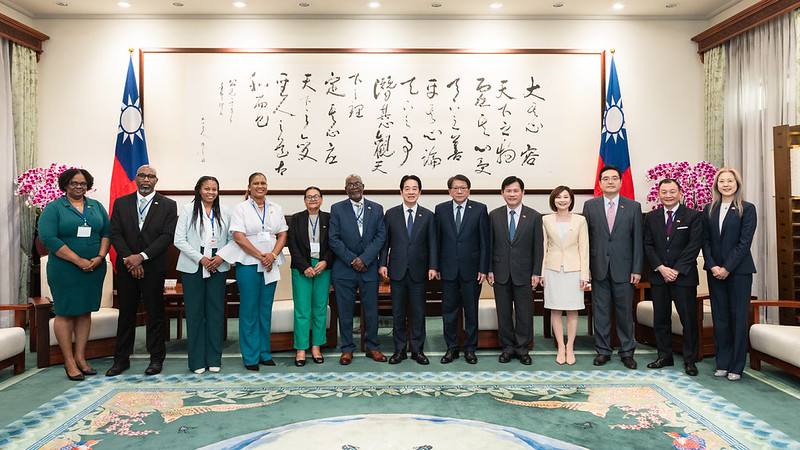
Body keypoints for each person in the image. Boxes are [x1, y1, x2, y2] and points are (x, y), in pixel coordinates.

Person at [38, 168, 110, 381]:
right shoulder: (54, 208)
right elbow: (49, 238)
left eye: (83, 183)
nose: (79, 186)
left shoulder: (95, 206)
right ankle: (68, 362)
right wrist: (78, 261)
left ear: (88, 185)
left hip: (94, 267)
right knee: (65, 312)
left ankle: (81, 357)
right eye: (74, 183)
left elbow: (107, 232)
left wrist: (99, 257)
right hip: (65, 269)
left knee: (84, 311)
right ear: (65, 185)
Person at [107, 165, 178, 377]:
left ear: (156, 180)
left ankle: (156, 359)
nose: (146, 179)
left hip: (153, 267)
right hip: (126, 267)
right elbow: (115, 233)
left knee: (155, 314)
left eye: (151, 176)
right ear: (136, 179)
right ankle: (121, 359)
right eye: (142, 175)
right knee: (126, 314)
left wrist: (142, 257)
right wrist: (130, 258)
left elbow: (167, 236)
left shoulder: (168, 205)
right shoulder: (121, 203)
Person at [218, 172, 288, 371]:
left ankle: (264, 353)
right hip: (248, 263)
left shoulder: (276, 208)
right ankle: (250, 356)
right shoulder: (240, 208)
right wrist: (260, 255)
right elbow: (238, 237)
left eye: (263, 183)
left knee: (265, 310)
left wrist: (272, 255)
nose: (260, 186)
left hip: (270, 264)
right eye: (256, 183)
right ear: (249, 187)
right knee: (249, 310)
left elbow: (283, 234)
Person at [582, 165, 642, 369]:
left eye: (614, 178)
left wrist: (636, 269)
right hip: (598, 267)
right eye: (605, 178)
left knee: (625, 312)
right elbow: (586, 240)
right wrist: (586, 268)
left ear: (620, 182)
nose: (610, 181)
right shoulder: (590, 206)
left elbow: (637, 242)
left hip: (624, 269)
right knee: (601, 311)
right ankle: (603, 350)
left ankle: (627, 352)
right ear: (599, 183)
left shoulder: (633, 207)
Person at [643, 179, 704, 376]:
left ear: (680, 193)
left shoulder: (693, 216)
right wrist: (661, 267)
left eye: (672, 191)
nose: (668, 195)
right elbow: (648, 245)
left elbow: (694, 246)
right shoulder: (651, 217)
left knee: (688, 319)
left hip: (683, 277)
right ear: (658, 194)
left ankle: (690, 360)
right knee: (661, 318)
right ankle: (664, 356)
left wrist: (676, 270)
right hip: (659, 276)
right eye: (664, 192)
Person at [702, 168, 756, 381]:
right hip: (715, 272)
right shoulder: (709, 209)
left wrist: (727, 268)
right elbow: (704, 241)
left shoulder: (747, 209)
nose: (726, 184)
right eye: (722, 181)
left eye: (730, 181)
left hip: (739, 272)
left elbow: (745, 242)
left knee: (738, 317)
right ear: (716, 185)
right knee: (720, 318)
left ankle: (736, 365)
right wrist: (713, 265)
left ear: (737, 184)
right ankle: (722, 362)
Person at [173, 176, 231, 374]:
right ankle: (197, 361)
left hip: (218, 264)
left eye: (214, 189)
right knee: (195, 313)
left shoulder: (224, 211)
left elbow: (233, 240)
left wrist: (221, 257)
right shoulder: (188, 210)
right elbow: (178, 240)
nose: (211, 192)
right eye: (207, 188)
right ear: (199, 190)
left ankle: (214, 359)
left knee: (215, 313)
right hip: (193, 265)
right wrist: (200, 259)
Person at [379, 175, 438, 365]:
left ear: (420, 192)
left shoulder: (428, 216)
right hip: (396, 271)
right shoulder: (391, 214)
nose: (411, 192)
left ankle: (417, 350)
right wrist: (382, 264)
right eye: (407, 188)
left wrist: (433, 266)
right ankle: (399, 350)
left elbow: (433, 244)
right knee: (398, 313)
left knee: (418, 312)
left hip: (419, 272)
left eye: (414, 188)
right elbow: (385, 243)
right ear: (401, 191)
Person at [328, 174, 387, 365]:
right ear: (345, 189)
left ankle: (372, 346)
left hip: (369, 268)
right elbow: (333, 239)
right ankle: (347, 349)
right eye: (350, 185)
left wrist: (364, 259)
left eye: (357, 184)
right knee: (345, 311)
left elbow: (380, 236)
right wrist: (353, 260)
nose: (354, 187)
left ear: (363, 186)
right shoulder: (337, 209)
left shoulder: (376, 209)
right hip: (344, 269)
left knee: (371, 310)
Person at [487, 176, 543, 366]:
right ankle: (507, 348)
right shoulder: (494, 215)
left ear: (522, 193)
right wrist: (489, 270)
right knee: (503, 313)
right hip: (500, 272)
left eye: (515, 190)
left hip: (525, 274)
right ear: (502, 193)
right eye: (508, 191)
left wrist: (536, 272)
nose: (512, 194)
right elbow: (489, 246)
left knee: (524, 313)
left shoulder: (534, 216)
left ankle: (522, 348)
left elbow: (538, 247)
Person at [435, 174, 489, 365]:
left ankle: (470, 349)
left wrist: (483, 267)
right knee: (448, 312)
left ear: (469, 190)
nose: (459, 191)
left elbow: (485, 242)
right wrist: (435, 265)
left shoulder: (480, 209)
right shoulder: (440, 210)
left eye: (463, 187)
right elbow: (436, 241)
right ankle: (451, 348)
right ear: (449, 190)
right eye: (456, 188)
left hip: (472, 271)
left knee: (471, 312)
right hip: (448, 270)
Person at [542, 186, 589, 366]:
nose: (562, 200)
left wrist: (585, 274)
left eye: (565, 197)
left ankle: (570, 347)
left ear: (571, 200)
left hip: (574, 269)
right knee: (555, 309)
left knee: (572, 309)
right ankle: (560, 347)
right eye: (558, 197)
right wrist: (541, 273)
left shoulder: (580, 220)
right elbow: (543, 247)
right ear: (553, 200)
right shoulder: (546, 220)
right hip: (552, 269)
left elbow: (584, 248)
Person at [287, 187, 333, 367]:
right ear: (304, 200)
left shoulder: (329, 218)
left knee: (320, 308)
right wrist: (304, 266)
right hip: (301, 269)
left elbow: (334, 243)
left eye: (316, 196)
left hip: (323, 267)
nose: (312, 199)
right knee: (302, 309)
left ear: (321, 199)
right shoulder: (296, 219)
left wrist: (326, 262)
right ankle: (300, 348)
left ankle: (316, 346)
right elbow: (292, 244)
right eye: (309, 197)